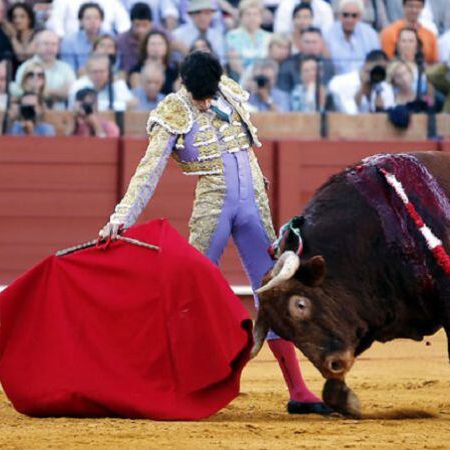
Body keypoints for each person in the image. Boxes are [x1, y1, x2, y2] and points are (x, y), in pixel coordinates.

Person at [98, 51, 330, 416]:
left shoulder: (228, 92)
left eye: (210, 95)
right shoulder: (172, 111)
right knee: (191, 292)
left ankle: (299, 390)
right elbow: (148, 171)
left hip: (253, 203)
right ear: (185, 86)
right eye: (200, 97)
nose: (207, 102)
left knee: (273, 292)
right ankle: (177, 384)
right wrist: (120, 218)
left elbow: (246, 148)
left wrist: (257, 182)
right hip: (213, 207)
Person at [15, 30, 77, 108]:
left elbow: (71, 92)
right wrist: (57, 93)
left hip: (58, 116)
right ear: (37, 46)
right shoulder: (25, 67)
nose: (50, 48)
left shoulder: (66, 68)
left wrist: (43, 91)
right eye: (46, 44)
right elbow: (19, 92)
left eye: (54, 44)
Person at [325, 0, 380, 75]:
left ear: (360, 16)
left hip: (364, 78)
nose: (349, 19)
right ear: (340, 15)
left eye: (354, 16)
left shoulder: (370, 34)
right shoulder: (329, 34)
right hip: (337, 79)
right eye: (345, 15)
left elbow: (376, 59)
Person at [68, 53, 136, 111]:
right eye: (95, 72)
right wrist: (119, 106)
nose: (98, 75)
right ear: (88, 72)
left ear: (108, 72)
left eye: (102, 71)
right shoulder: (78, 86)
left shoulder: (118, 84)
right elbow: (75, 108)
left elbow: (132, 104)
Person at [276, 26, 335, 91]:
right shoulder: (288, 64)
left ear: (321, 44)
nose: (311, 46)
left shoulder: (328, 65)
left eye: (314, 42)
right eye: (307, 42)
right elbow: (283, 91)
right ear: (299, 44)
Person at [46, 0, 131, 38]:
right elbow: (54, 22)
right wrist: (63, 40)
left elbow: (124, 24)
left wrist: (117, 41)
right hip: (72, 44)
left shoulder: (111, 2)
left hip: (104, 44)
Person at [225, 0, 271, 71]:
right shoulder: (232, 36)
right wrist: (248, 79)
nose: (252, 18)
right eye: (248, 14)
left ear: (261, 17)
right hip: (240, 78)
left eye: (255, 14)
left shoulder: (269, 37)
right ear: (241, 17)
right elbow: (235, 64)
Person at [129, 30, 178, 94]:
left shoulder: (174, 70)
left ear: (166, 47)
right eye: (152, 44)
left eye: (160, 44)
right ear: (146, 47)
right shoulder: (137, 71)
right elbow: (138, 95)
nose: (156, 47)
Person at [60, 2, 104, 74]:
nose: (93, 21)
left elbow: (115, 66)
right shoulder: (69, 41)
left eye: (96, 18)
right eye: (88, 18)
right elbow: (68, 70)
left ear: (101, 21)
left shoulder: (110, 38)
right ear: (81, 22)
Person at [116, 2, 159, 73]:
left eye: (145, 25)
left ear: (151, 24)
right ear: (131, 23)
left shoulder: (159, 34)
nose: (141, 30)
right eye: (137, 25)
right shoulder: (121, 40)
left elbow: (175, 44)